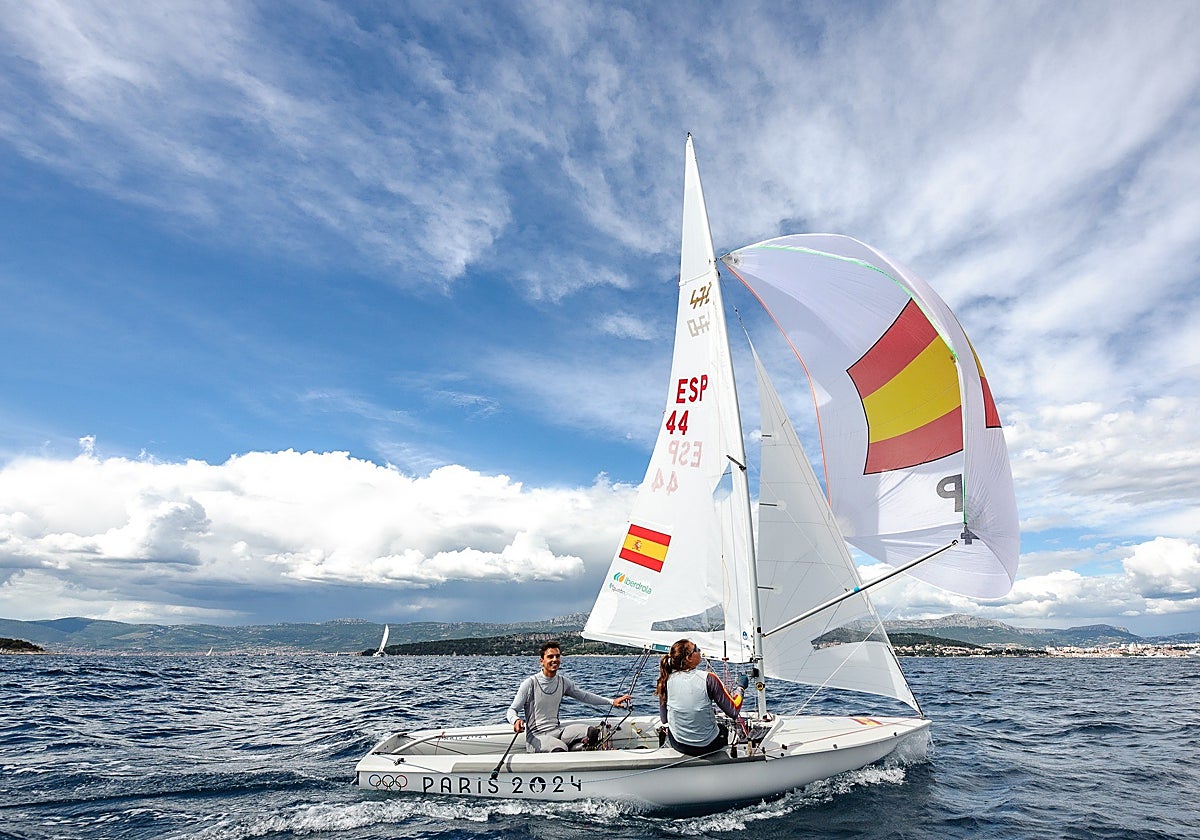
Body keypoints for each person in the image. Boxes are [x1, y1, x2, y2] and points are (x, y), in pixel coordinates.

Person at [507, 640, 632, 753]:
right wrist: (516, 720)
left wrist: (612, 701)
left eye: (557, 656)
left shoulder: (563, 682)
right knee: (560, 749)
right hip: (537, 736)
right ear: (542, 661)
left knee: (592, 733)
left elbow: (584, 696)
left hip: (557, 730)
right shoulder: (530, 683)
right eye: (550, 657)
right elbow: (512, 710)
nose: (554, 659)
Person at [656, 638, 744, 756]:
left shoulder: (664, 681)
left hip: (678, 744)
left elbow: (664, 719)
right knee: (723, 729)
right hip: (707, 746)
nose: (700, 650)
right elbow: (733, 710)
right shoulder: (709, 679)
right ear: (689, 658)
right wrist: (741, 688)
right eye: (696, 649)